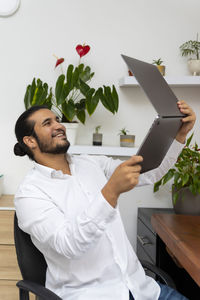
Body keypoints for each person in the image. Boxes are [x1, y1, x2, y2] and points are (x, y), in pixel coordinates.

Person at [14, 101, 195, 300]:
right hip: (89, 295)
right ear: (30, 141)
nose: (59, 125)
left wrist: (178, 135)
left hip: (142, 288)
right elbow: (68, 245)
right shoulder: (30, 193)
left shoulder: (91, 163)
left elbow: (147, 173)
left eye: (57, 120)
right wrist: (110, 192)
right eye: (47, 123)